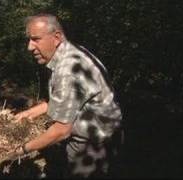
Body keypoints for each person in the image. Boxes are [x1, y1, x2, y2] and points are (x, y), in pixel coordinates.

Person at [8, 13, 123, 178]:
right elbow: (65, 100)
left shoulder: (68, 70)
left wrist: (21, 150)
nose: (29, 47)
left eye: (36, 39)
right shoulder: (72, 53)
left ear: (56, 37)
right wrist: (27, 114)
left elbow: (61, 131)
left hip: (92, 147)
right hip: (104, 135)